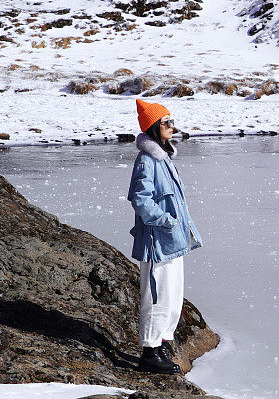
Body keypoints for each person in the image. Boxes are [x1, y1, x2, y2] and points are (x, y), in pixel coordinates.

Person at [127, 98, 203, 374]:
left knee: (172, 295)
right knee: (157, 296)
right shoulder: (148, 160)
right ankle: (149, 352)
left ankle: (159, 345)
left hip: (172, 240)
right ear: (154, 128)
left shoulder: (163, 156)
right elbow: (140, 199)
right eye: (166, 122)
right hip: (157, 240)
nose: (172, 126)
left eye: (172, 121)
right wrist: (165, 221)